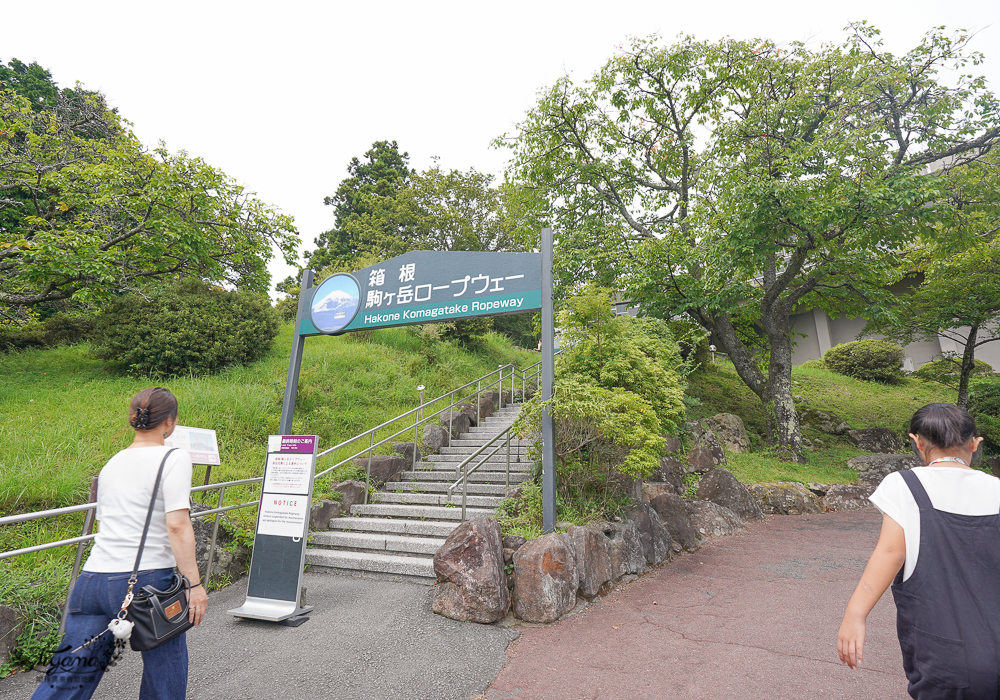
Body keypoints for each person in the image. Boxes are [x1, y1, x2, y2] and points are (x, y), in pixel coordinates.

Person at [34, 387, 207, 700]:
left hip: (92, 580)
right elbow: (177, 525)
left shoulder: (113, 463)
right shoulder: (174, 456)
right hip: (147, 579)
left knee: (69, 673)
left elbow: (105, 524)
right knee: (165, 671)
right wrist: (194, 586)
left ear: (134, 419)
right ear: (170, 422)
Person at [837, 402, 1000, 699]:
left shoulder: (904, 485)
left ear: (918, 442)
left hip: (947, 661)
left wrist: (855, 615)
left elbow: (890, 554)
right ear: (975, 444)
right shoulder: (996, 488)